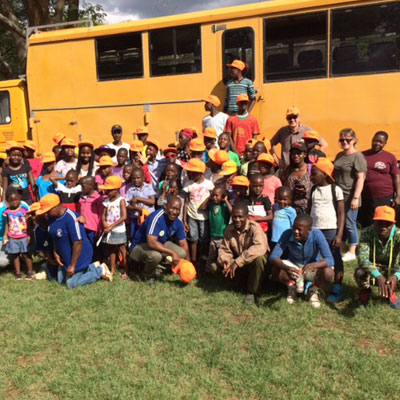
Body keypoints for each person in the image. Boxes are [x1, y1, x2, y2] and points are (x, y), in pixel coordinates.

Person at [36, 193, 112, 288]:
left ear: (55, 207)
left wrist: (72, 265)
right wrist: (56, 252)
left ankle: (100, 271)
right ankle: (91, 267)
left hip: (79, 255)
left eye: (47, 211)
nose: (46, 214)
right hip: (65, 256)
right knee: (61, 281)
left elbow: (78, 243)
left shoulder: (72, 219)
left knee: (71, 284)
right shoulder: (51, 219)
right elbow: (55, 236)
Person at [270, 214, 334, 308]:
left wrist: (314, 265)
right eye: (294, 228)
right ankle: (291, 287)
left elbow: (330, 259)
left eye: (299, 229)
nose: (295, 232)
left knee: (328, 272)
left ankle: (313, 290)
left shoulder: (317, 234)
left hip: (311, 269)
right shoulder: (287, 233)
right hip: (294, 267)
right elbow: (273, 257)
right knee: (276, 266)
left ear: (309, 230)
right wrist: (286, 268)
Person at [308, 158, 345, 303]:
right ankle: (315, 284)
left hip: (331, 229)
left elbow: (342, 213)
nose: (311, 176)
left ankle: (337, 286)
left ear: (324, 174)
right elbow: (309, 209)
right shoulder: (313, 189)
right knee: (314, 256)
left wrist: (339, 234)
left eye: (314, 173)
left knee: (335, 257)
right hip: (315, 230)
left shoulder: (335, 189)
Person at [130, 196, 190, 282]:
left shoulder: (178, 222)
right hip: (139, 246)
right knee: (156, 256)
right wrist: (172, 253)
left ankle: (158, 270)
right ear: (165, 206)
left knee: (181, 253)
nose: (174, 212)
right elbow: (151, 242)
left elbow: (183, 244)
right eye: (172, 208)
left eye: (178, 209)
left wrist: (188, 265)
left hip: (160, 243)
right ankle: (146, 274)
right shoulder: (156, 217)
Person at [218, 201, 268, 305]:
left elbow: (260, 247)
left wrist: (237, 262)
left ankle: (252, 292)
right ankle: (238, 283)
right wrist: (225, 260)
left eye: (240, 217)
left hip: (252, 262)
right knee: (215, 266)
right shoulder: (229, 229)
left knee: (260, 259)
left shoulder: (254, 228)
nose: (237, 220)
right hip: (241, 262)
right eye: (234, 217)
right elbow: (224, 249)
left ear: (247, 217)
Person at [355, 206, 400, 309]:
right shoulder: (367, 233)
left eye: (387, 224)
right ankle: (365, 291)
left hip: (392, 269)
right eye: (380, 223)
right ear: (374, 222)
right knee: (360, 272)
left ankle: (390, 292)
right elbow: (362, 258)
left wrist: (396, 276)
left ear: (393, 224)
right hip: (373, 267)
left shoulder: (398, 235)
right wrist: (378, 276)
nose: (383, 227)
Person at [333, 128, 367, 262]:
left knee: (350, 223)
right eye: (342, 140)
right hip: (338, 195)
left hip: (350, 196)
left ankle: (352, 251)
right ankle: (340, 247)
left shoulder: (358, 157)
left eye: (348, 140)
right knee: (339, 222)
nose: (345, 142)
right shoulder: (339, 155)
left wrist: (356, 198)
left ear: (354, 140)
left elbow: (361, 178)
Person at [360, 131, 400, 227]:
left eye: (380, 142)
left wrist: (398, 195)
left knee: (384, 223)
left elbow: (396, 177)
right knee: (368, 223)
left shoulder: (390, 157)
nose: (377, 143)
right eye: (375, 140)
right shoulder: (362, 155)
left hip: (385, 196)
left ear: (385, 143)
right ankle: (368, 241)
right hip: (367, 197)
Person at [183, 158, 214, 267]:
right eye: (188, 172)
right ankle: (194, 260)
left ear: (200, 173)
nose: (188, 174)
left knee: (204, 240)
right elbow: (186, 203)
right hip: (192, 216)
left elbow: (212, 200)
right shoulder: (189, 184)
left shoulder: (209, 185)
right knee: (193, 239)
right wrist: (184, 220)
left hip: (204, 217)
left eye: (191, 172)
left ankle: (202, 260)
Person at [99, 176, 128, 279]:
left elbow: (124, 216)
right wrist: (104, 223)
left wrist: (111, 226)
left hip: (119, 230)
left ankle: (125, 270)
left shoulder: (121, 200)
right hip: (109, 230)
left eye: (109, 191)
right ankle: (112, 269)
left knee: (122, 250)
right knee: (111, 250)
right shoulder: (107, 201)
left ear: (116, 190)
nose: (106, 193)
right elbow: (103, 215)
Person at [199, 186, 231, 273]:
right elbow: (200, 208)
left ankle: (222, 272)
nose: (214, 197)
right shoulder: (211, 205)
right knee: (211, 255)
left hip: (222, 236)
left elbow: (232, 212)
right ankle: (207, 271)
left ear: (223, 196)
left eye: (217, 195)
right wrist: (208, 199)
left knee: (221, 256)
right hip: (213, 236)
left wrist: (226, 201)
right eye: (213, 195)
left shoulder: (224, 206)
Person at [3, 188, 34, 279]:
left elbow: (28, 223)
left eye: (16, 200)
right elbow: (7, 224)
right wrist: (6, 235)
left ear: (20, 199)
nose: (14, 202)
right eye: (12, 201)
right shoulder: (7, 212)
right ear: (8, 201)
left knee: (26, 255)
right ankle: (18, 272)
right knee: (15, 255)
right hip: (12, 236)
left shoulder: (24, 210)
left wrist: (29, 235)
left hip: (24, 236)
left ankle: (30, 271)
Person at [126, 168, 156, 245]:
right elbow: (127, 205)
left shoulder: (148, 187)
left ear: (143, 178)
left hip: (148, 217)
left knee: (148, 236)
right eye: (133, 178)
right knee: (135, 237)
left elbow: (152, 202)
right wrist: (136, 208)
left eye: (138, 178)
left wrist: (139, 198)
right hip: (135, 218)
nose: (136, 180)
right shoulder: (130, 190)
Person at [77, 176, 104, 256]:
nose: (81, 188)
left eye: (83, 186)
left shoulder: (98, 198)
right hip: (83, 226)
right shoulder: (81, 197)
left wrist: (99, 229)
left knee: (94, 246)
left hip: (93, 228)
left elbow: (101, 214)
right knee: (85, 245)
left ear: (91, 186)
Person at [283, 142, 312, 214]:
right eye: (293, 153)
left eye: (299, 153)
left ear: (305, 155)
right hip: (291, 208)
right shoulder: (288, 170)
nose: (296, 156)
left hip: (308, 208)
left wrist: (306, 191)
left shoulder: (311, 168)